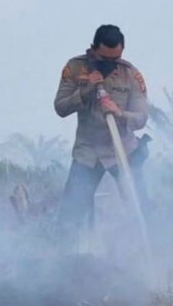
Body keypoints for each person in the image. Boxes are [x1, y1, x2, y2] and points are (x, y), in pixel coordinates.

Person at [54, 24, 149, 230]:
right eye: (104, 59)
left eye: (115, 59)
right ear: (94, 48)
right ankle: (62, 258)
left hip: (123, 150)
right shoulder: (75, 68)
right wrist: (86, 90)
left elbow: (141, 118)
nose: (110, 64)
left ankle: (147, 256)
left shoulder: (131, 74)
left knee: (141, 210)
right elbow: (60, 107)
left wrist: (120, 113)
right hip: (88, 154)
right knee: (70, 216)